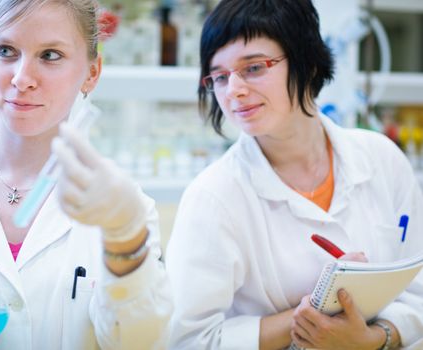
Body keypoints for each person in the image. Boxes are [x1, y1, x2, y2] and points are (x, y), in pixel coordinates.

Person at [0, 0, 171, 349]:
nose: (22, 78)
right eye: (6, 50)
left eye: (50, 55)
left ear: (92, 72)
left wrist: (123, 244)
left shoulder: (124, 210)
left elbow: (143, 343)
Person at [166, 0, 423, 349]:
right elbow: (189, 340)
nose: (234, 90)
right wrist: (313, 316)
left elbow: (417, 290)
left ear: (308, 62)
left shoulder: (382, 159)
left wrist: (373, 339)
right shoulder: (213, 197)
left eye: (254, 67)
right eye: (220, 77)